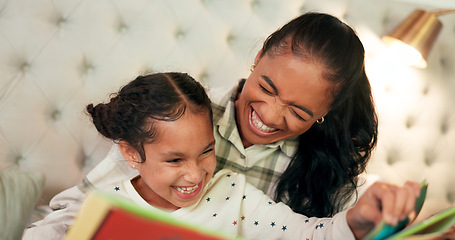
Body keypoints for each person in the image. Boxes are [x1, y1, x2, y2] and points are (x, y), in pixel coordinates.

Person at [24, 12, 421, 239]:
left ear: (325, 112)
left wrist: (365, 217)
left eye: (298, 113)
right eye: (266, 87)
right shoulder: (183, 114)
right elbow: (84, 207)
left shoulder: (247, 187)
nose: (269, 115)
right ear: (260, 55)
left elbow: (321, 233)